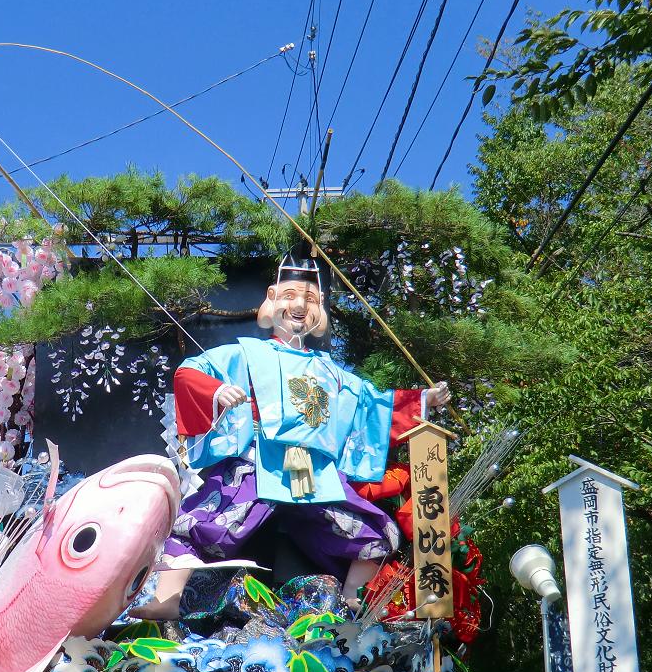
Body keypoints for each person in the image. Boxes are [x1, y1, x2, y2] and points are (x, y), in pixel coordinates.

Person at [137, 253, 449, 618]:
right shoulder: (245, 353)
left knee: (376, 533)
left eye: (310, 299)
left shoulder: (331, 372)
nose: (299, 306)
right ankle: (168, 600)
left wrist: (423, 400)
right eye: (290, 296)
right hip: (259, 461)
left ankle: (353, 601)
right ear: (271, 299)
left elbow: (373, 404)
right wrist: (217, 391)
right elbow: (190, 372)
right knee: (196, 526)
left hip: (315, 472)